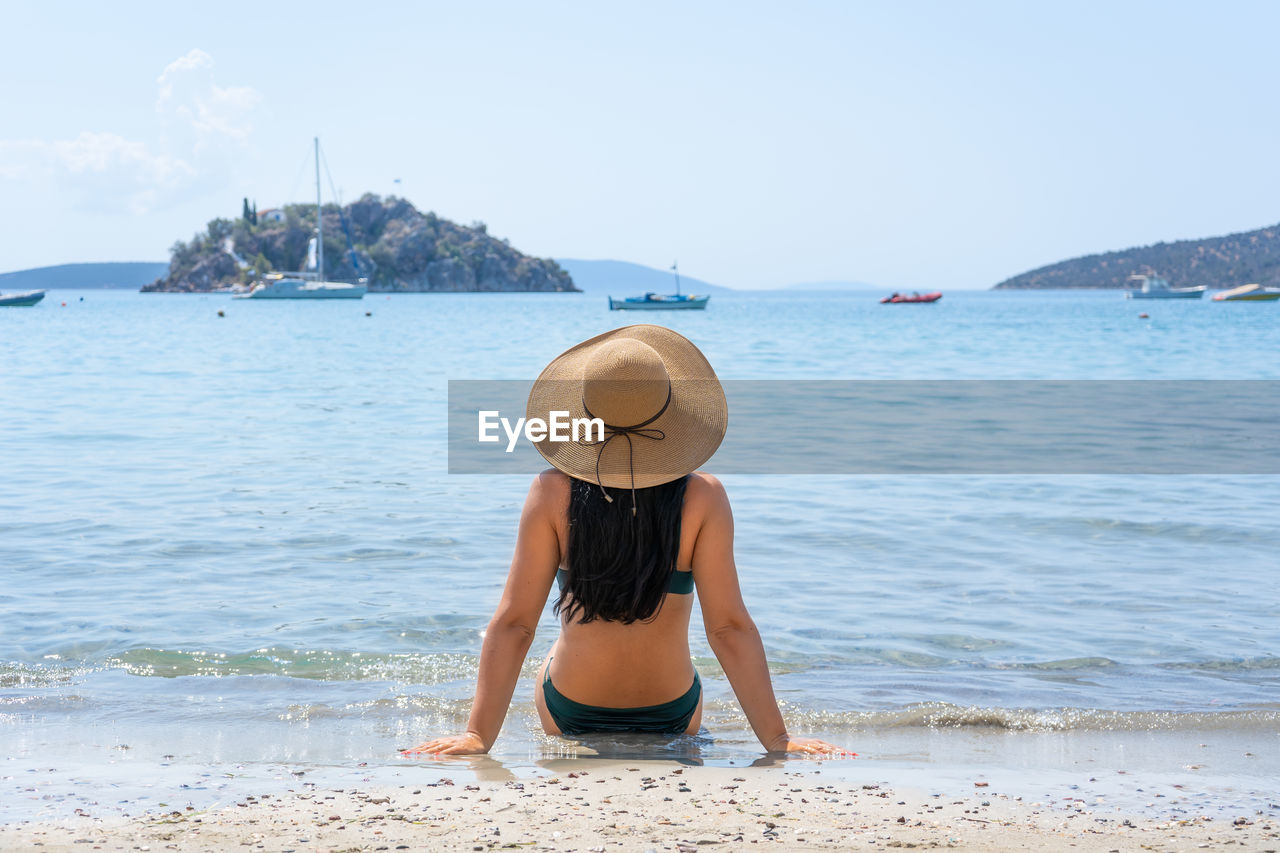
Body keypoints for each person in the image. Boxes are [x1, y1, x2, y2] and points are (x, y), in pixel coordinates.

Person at [404, 325, 848, 757]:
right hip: (672, 712)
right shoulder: (703, 496)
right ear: (672, 412)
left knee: (551, 652)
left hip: (569, 709)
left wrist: (477, 734)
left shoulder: (552, 492)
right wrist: (777, 739)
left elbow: (515, 624)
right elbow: (728, 629)